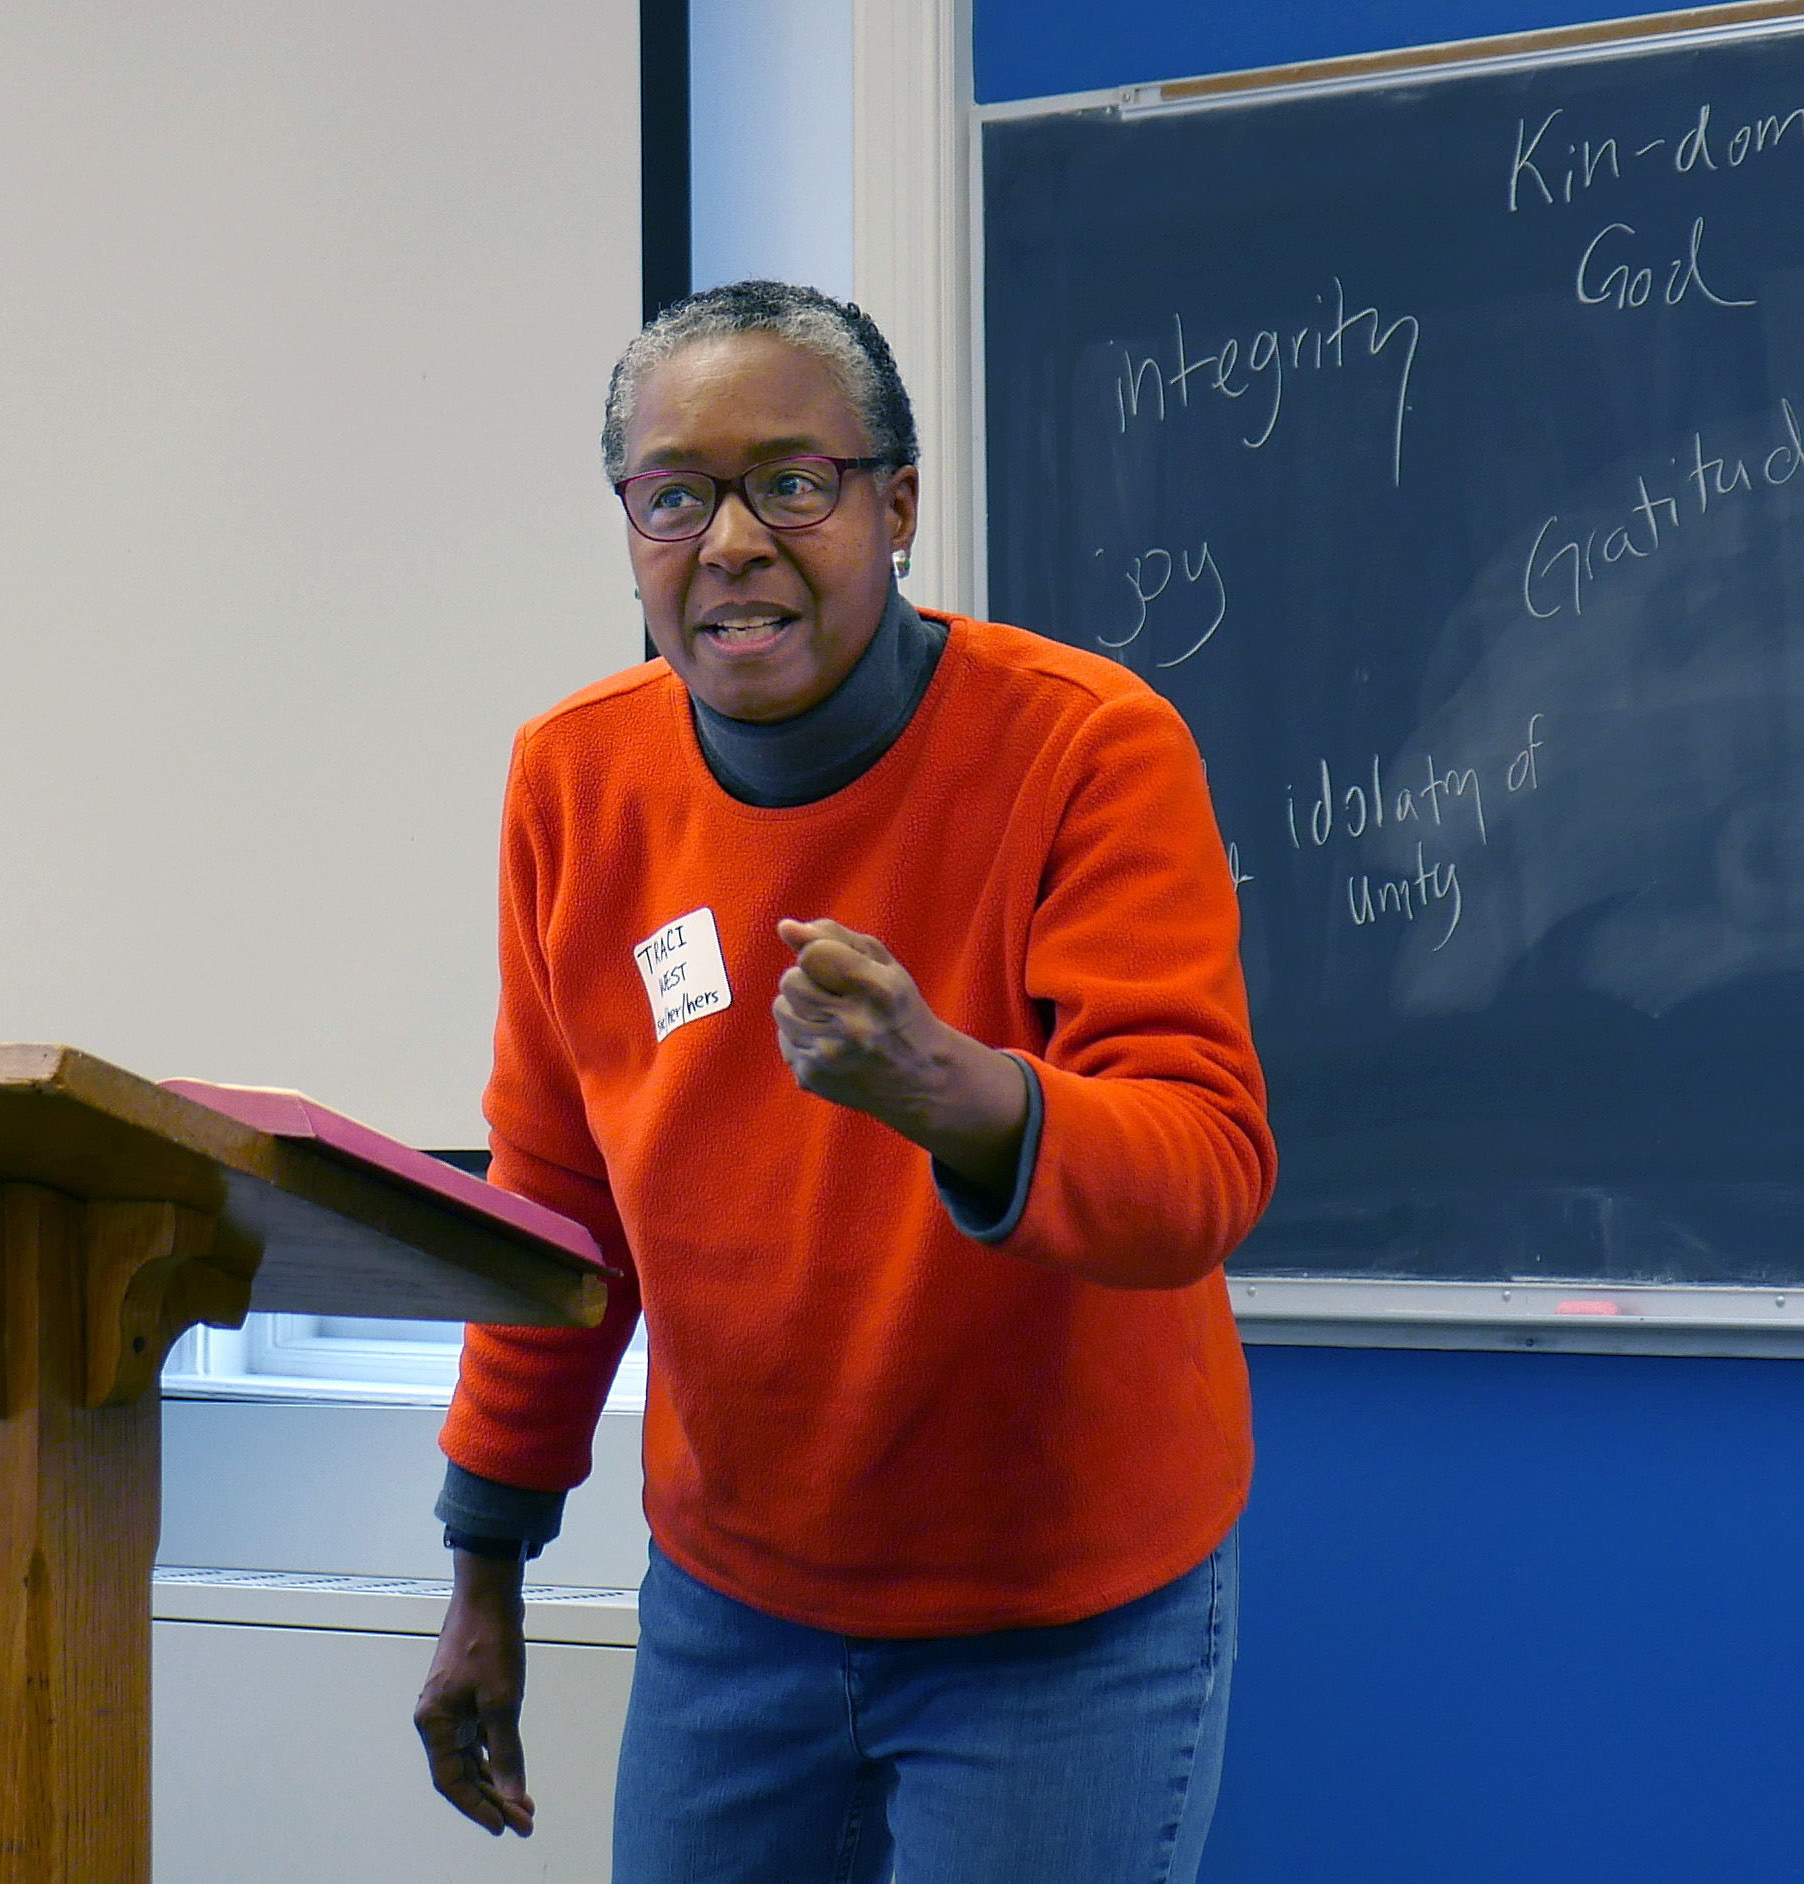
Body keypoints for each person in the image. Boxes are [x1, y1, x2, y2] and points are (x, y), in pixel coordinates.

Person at [411, 279, 1274, 1884]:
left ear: (897, 508)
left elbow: (1204, 1167)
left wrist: (967, 1097)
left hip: (1060, 1610)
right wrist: (487, 1556)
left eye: (790, 483)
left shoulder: (1085, 746)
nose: (729, 539)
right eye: (676, 496)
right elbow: (551, 1201)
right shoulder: (575, 777)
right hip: (736, 1604)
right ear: (630, 533)